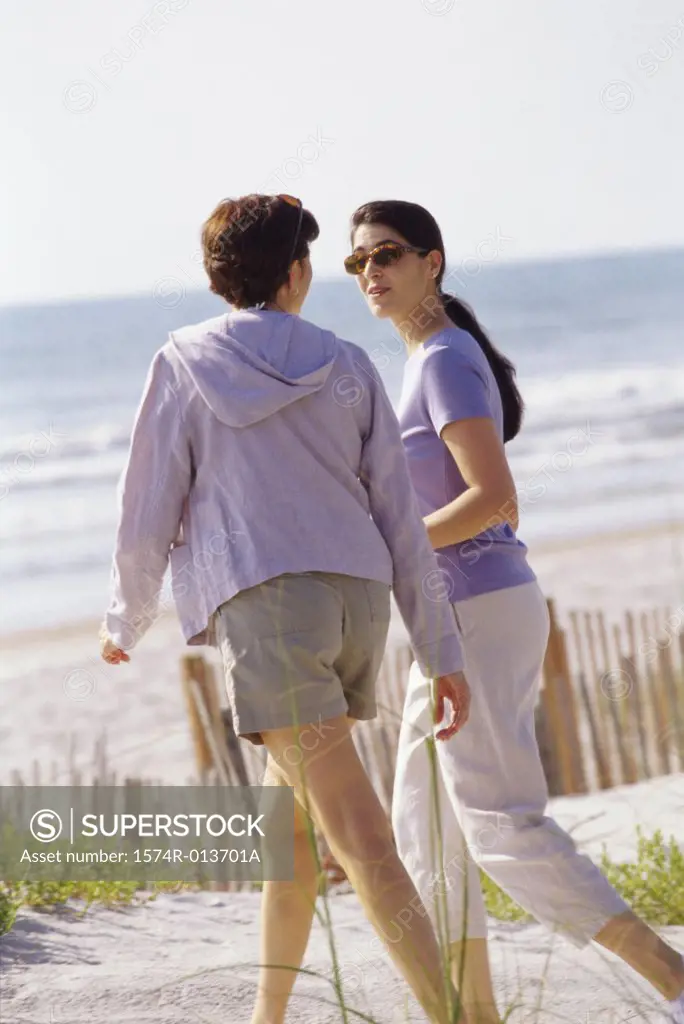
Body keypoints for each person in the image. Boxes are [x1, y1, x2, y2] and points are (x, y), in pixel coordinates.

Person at [98, 193, 476, 1024]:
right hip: (357, 606)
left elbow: (149, 503)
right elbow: (400, 522)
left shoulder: (184, 361)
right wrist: (440, 647)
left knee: (361, 838)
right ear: (299, 271)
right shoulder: (347, 364)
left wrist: (126, 618)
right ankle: (267, 1017)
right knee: (293, 837)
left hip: (271, 613)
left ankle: (460, 1018)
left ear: (218, 278)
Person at [345, 198, 684, 1024]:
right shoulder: (429, 357)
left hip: (479, 613)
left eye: (387, 254)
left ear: (433, 262)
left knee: (497, 817)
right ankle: (473, 1015)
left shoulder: (446, 360)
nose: (371, 273)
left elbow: (495, 499)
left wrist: (393, 545)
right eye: (357, 263)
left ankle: (672, 976)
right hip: (453, 614)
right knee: (426, 826)